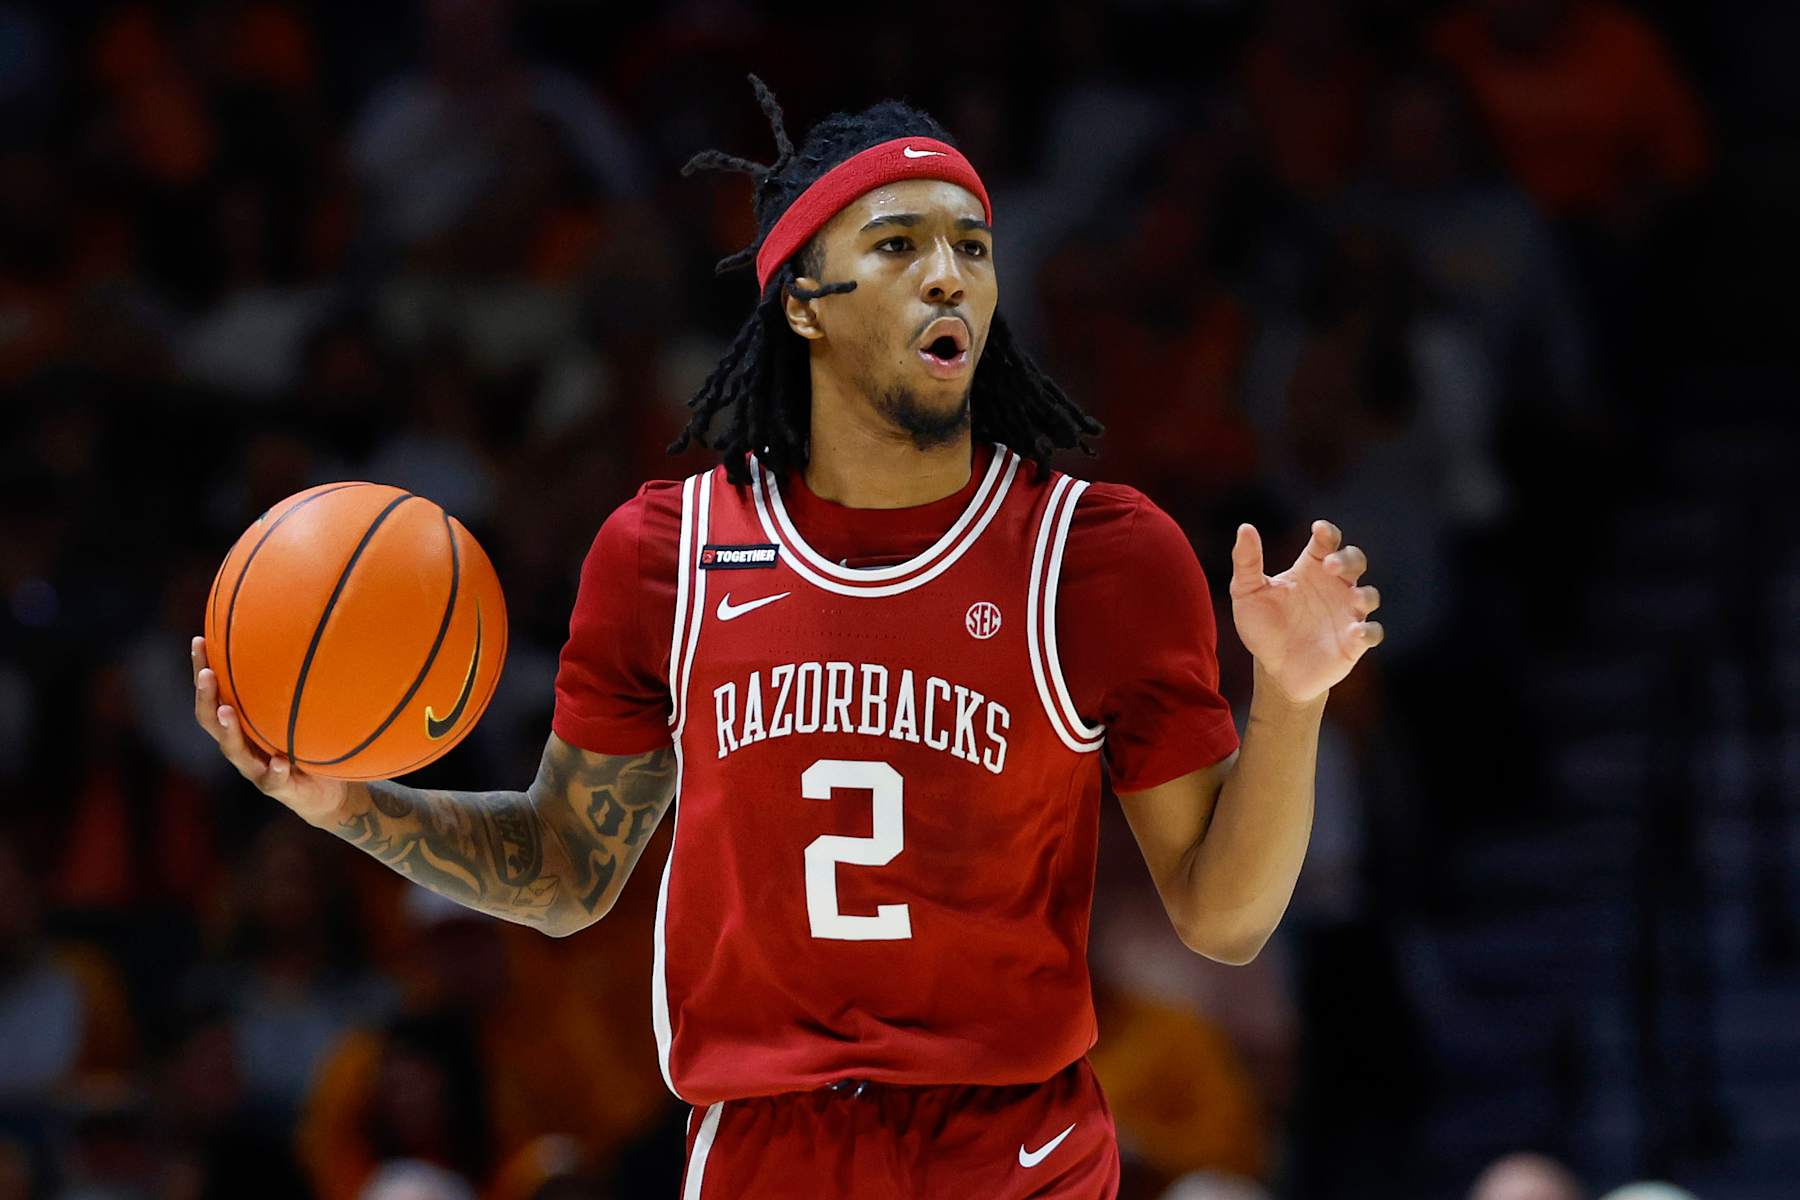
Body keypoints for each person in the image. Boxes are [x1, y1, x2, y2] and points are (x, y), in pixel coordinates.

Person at [192, 77, 1386, 1199]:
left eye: (971, 247)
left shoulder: (1099, 554)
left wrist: (1292, 695)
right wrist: (349, 807)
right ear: (804, 300)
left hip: (1013, 1148)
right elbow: (564, 872)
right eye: (898, 244)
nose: (948, 276)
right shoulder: (664, 556)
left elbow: (1223, 920)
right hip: (769, 1149)